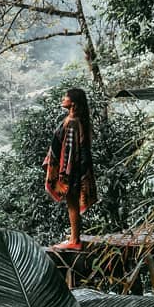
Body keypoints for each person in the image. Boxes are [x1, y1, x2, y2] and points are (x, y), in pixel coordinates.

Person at [43, 88, 98, 250]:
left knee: (72, 202)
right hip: (73, 167)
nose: (63, 99)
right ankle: (75, 236)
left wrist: (65, 172)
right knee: (71, 202)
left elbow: (71, 149)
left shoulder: (73, 122)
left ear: (73, 102)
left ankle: (75, 240)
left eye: (65, 97)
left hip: (71, 168)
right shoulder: (74, 119)